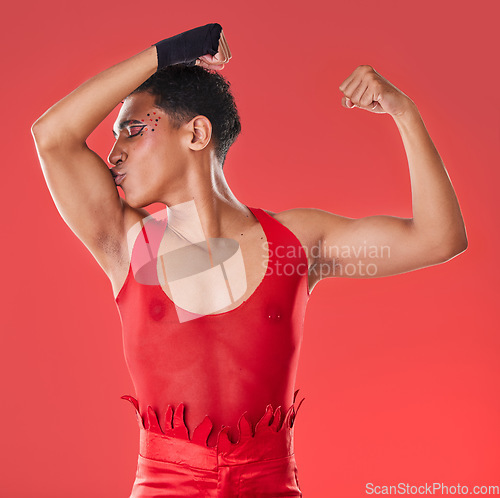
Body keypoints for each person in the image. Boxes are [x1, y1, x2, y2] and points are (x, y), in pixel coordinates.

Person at [31, 23, 468, 497]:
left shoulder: (295, 243)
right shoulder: (126, 241)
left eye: (133, 131)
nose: (113, 154)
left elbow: (437, 238)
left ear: (197, 132)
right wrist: (169, 53)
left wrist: (405, 113)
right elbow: (52, 135)